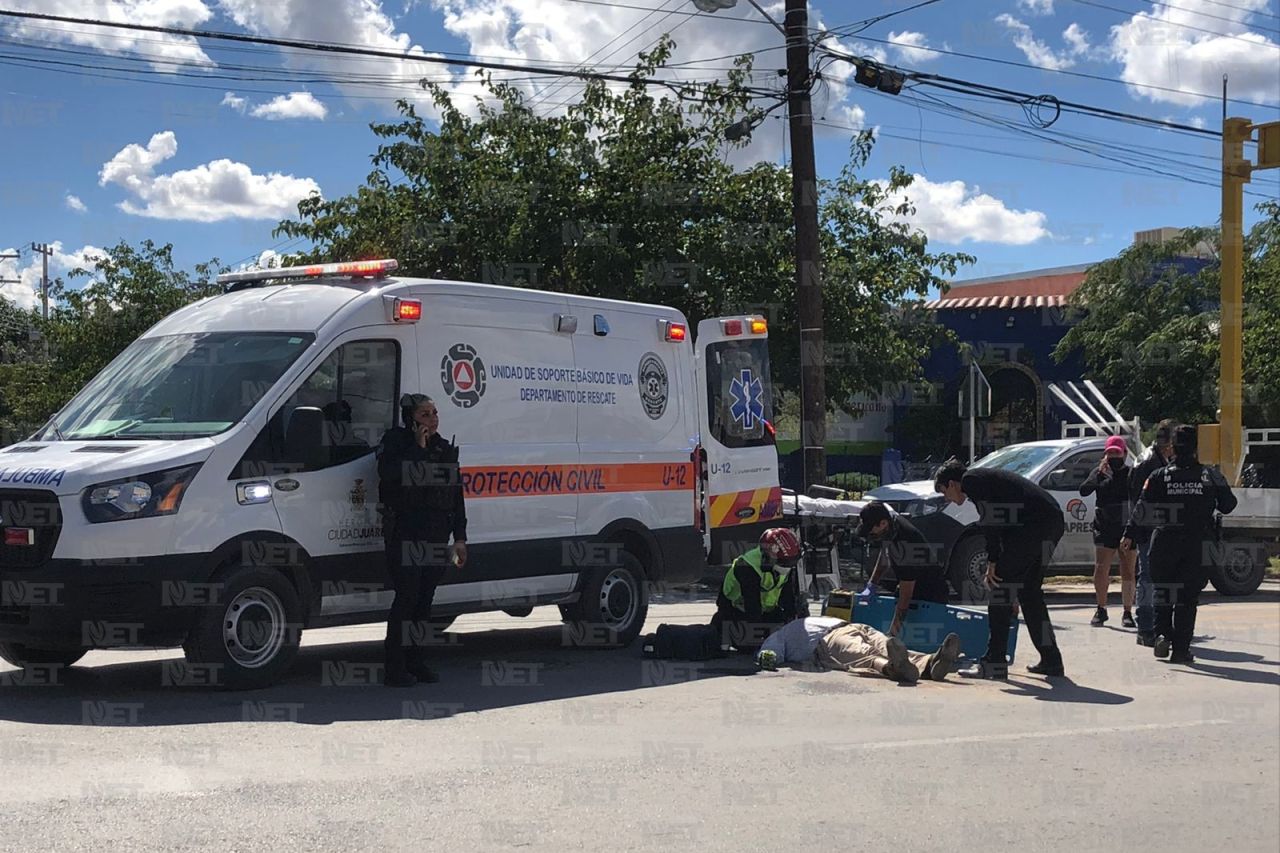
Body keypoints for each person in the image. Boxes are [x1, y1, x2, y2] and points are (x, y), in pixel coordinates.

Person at [934, 458, 1066, 680]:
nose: (946, 497)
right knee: (1030, 594)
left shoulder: (971, 481)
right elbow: (1001, 521)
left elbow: (991, 521)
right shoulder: (984, 480)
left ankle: (993, 662)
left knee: (999, 590)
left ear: (952, 483)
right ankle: (1051, 660)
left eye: (943, 491)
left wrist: (993, 560)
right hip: (1048, 522)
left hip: (1034, 526)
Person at [1121, 425, 1236, 664]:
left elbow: (1142, 509)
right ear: (1196, 449)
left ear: (1172, 448)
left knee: (1163, 593)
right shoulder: (1209, 475)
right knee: (1187, 599)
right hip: (1197, 544)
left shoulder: (1159, 476)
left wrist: (1129, 534)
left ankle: (1162, 634)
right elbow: (1229, 505)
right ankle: (1181, 650)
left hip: (1164, 542)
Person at [378, 393, 468, 687]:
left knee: (424, 603)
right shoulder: (396, 443)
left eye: (434, 413)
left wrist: (460, 538)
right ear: (410, 419)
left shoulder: (443, 449)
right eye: (425, 414)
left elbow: (456, 496)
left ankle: (417, 662)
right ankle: (394, 667)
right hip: (405, 533)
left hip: (436, 534)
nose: (432, 419)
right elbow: (392, 476)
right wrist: (417, 448)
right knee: (407, 599)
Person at [756, 616, 961, 684]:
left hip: (842, 632)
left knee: (875, 650)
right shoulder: (780, 634)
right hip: (841, 633)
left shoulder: (791, 627)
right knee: (874, 650)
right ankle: (914, 665)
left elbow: (770, 654)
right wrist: (768, 656)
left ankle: (923, 663)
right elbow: (770, 653)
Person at [856, 500, 950, 638]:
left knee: (920, 641)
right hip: (910, 587)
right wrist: (872, 584)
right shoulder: (890, 527)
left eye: (871, 531)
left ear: (883, 524)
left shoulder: (906, 544)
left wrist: (892, 634)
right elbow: (884, 557)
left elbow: (905, 597)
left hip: (931, 595)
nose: (871, 535)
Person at [1127, 419, 1177, 647]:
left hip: (1160, 528)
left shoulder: (1161, 459)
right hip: (1149, 528)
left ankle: (1157, 626)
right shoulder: (1149, 462)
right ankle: (1145, 627)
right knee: (1147, 578)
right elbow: (1140, 499)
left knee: (1158, 579)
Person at [711, 528, 802, 650]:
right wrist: (759, 640)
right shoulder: (747, 566)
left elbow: (788, 597)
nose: (788, 567)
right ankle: (720, 626)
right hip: (736, 610)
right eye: (784, 563)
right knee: (749, 645)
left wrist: (792, 625)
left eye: (792, 562)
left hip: (766, 611)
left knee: (785, 636)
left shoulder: (786, 566)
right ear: (768, 557)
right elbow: (752, 606)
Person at [1080, 435, 1137, 628]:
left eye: (1117, 452)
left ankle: (1127, 611)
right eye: (1110, 452)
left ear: (1124, 453)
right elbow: (1084, 490)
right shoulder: (1100, 472)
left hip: (1126, 526)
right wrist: (1099, 474)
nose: (1113, 456)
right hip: (1104, 525)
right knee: (1101, 567)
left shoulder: (1131, 473)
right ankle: (1101, 608)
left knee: (1128, 569)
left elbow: (1139, 497)